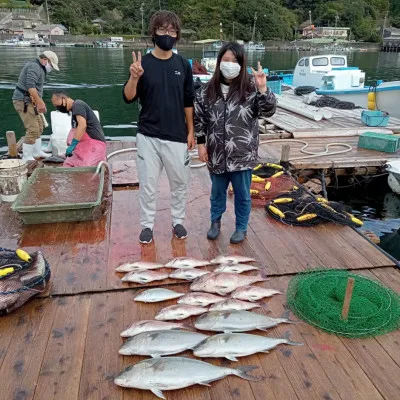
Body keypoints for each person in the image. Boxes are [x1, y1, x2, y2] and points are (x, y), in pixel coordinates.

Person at [123, 10, 195, 244]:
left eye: (172, 31)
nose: (168, 34)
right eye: (163, 30)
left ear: (177, 35)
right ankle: (146, 225)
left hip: (177, 135)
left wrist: (191, 130)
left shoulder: (183, 64)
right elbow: (128, 97)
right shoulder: (141, 63)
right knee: (148, 185)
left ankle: (178, 220)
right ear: (153, 32)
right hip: (148, 135)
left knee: (180, 183)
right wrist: (134, 78)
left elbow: (188, 101)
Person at [194, 42, 277, 244]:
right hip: (216, 154)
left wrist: (263, 88)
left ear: (241, 63)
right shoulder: (206, 90)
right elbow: (200, 119)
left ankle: (241, 227)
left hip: (242, 154)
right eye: (225, 60)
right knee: (217, 193)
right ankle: (215, 222)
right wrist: (201, 144)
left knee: (242, 195)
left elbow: (268, 110)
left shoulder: (250, 88)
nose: (229, 64)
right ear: (219, 61)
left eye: (234, 61)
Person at [12, 51, 60, 161]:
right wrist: (40, 103)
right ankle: (27, 156)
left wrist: (39, 102)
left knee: (39, 126)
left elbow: (36, 90)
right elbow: (30, 87)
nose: (51, 68)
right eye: (51, 65)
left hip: (31, 101)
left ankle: (37, 151)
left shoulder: (40, 68)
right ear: (45, 60)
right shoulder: (34, 66)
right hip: (23, 101)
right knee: (33, 129)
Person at [51, 92, 107, 167]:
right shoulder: (74, 114)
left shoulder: (78, 104)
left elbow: (82, 125)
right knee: (67, 165)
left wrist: (72, 145)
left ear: (64, 99)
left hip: (95, 145)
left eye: (57, 105)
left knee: (84, 168)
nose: (58, 108)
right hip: (84, 147)